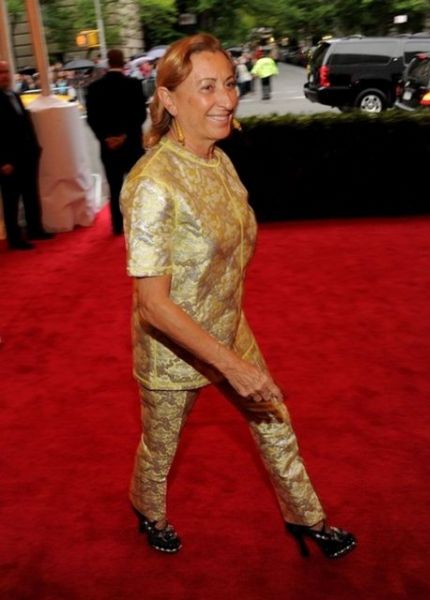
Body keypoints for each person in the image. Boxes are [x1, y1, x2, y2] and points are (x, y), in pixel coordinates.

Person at [120, 34, 356, 559]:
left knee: (275, 422)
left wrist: (233, 350)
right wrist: (232, 366)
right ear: (168, 99)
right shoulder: (152, 184)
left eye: (229, 83)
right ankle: (148, 509)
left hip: (228, 325)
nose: (226, 99)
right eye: (207, 87)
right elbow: (153, 304)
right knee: (161, 446)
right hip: (172, 349)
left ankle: (306, 518)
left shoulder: (219, 161)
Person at [86, 49, 146, 235]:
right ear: (123, 62)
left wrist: (106, 138)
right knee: (137, 186)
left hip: (108, 147)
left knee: (114, 187)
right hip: (132, 145)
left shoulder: (94, 88)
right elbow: (140, 115)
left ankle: (117, 225)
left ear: (108, 62)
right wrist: (125, 135)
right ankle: (140, 222)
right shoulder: (134, 85)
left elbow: (92, 118)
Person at [0, 60, 54, 250]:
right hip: (9, 161)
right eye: (1, 72)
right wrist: (3, 161)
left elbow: (23, 125)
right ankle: (14, 238)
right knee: (11, 200)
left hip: (27, 155)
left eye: (6, 71)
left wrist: (35, 148)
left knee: (31, 194)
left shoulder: (14, 95)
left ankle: (35, 228)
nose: (5, 76)